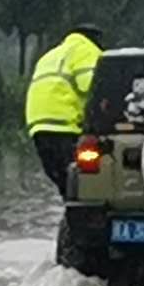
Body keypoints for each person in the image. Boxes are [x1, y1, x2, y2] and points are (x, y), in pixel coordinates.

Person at [24, 24, 104, 192]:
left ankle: (71, 210)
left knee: (63, 179)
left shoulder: (51, 55)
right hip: (65, 124)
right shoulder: (87, 50)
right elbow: (91, 86)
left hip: (38, 125)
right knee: (80, 182)